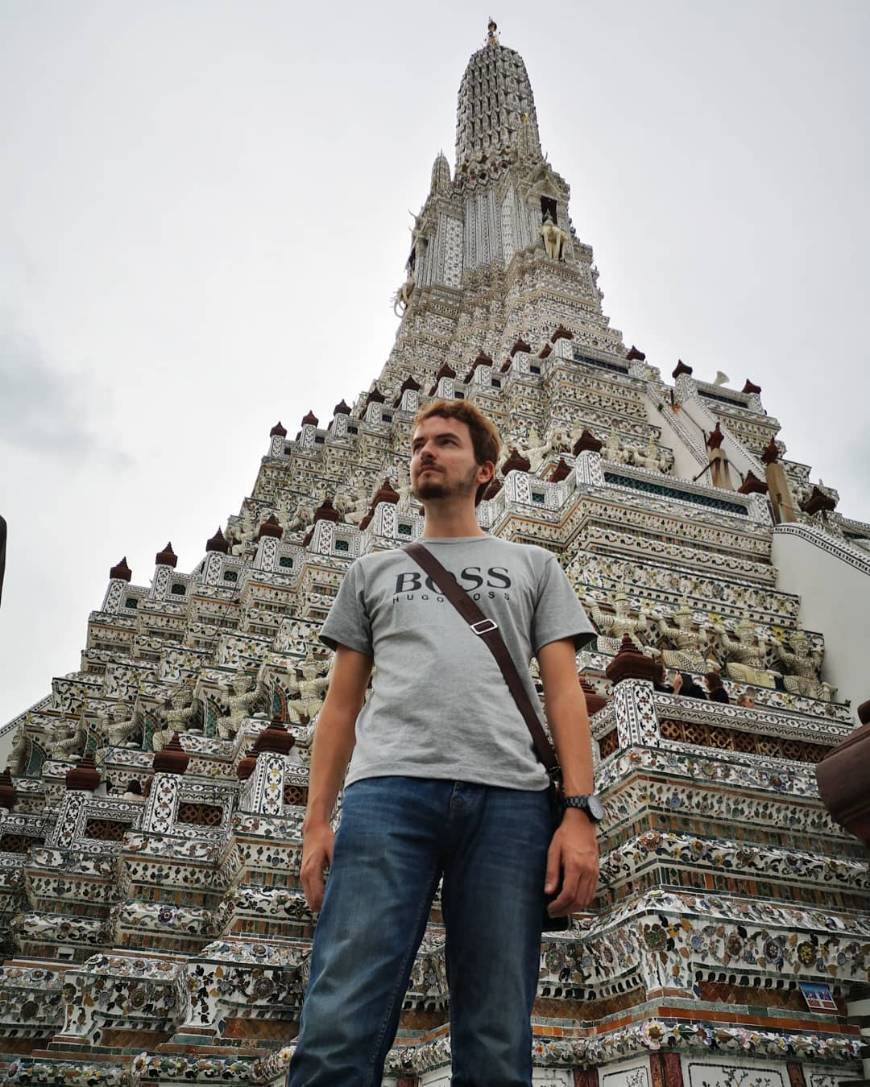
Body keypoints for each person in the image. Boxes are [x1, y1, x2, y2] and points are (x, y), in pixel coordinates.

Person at [288, 399, 601, 1086]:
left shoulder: (533, 565)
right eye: (420, 443)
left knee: (496, 1030)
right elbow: (339, 709)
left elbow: (565, 692)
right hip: (386, 794)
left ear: (485, 470)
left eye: (447, 443)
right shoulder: (370, 573)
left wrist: (579, 812)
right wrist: (316, 820)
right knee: (340, 1015)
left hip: (511, 802)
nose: (427, 451)